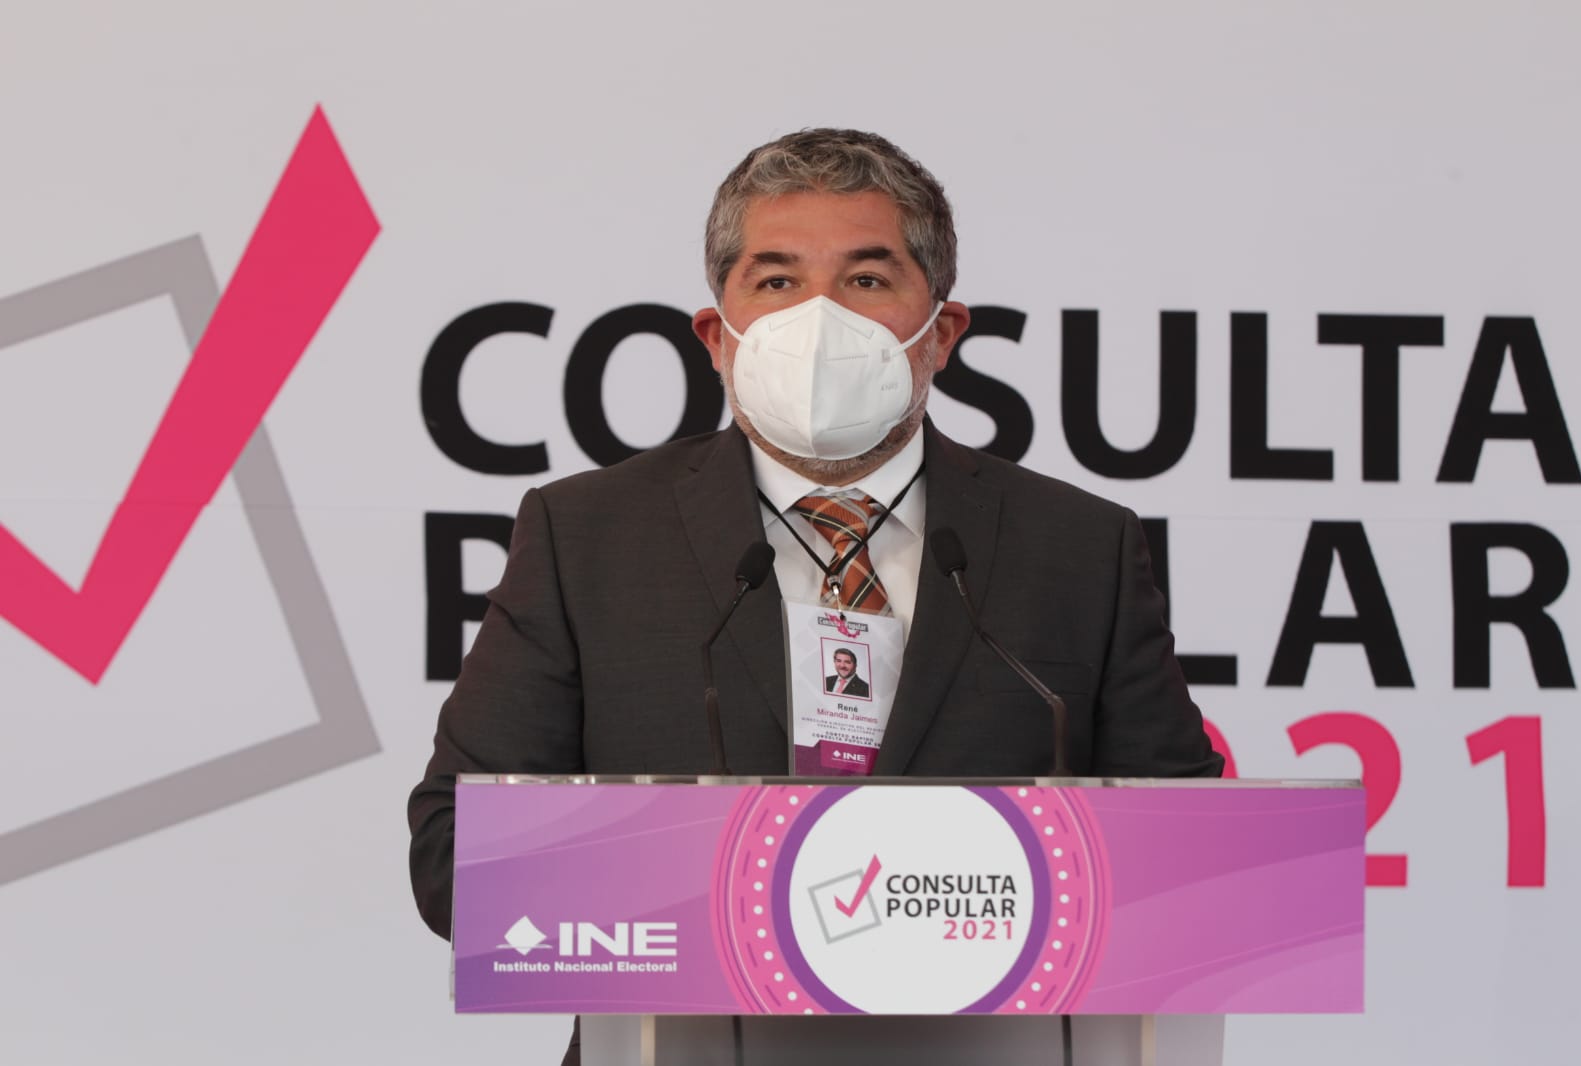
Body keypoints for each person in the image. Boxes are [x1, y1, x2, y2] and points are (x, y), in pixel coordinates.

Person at [408, 128, 1222, 1063]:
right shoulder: (586, 535)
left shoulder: (1078, 546)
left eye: (867, 279)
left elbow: (1192, 860)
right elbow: (457, 854)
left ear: (941, 332)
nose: (820, 318)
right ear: (718, 337)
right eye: (777, 280)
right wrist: (725, 906)